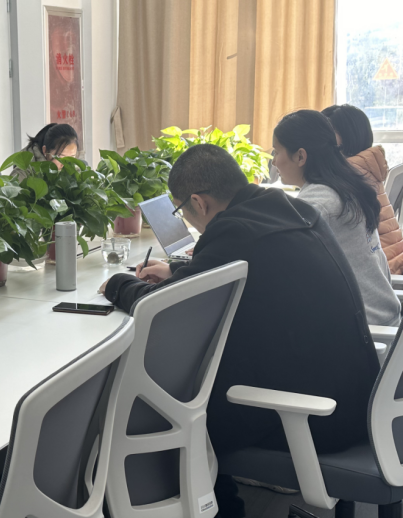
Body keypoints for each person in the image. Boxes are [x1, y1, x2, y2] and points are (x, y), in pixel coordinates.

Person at [101, 144, 379, 458]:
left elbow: (160, 306)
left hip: (314, 418)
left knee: (172, 397)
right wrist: (177, 270)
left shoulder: (234, 231)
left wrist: (118, 284)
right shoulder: (291, 208)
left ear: (198, 202)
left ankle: (206, 490)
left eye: (181, 211)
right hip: (354, 398)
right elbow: (255, 264)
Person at [273, 109, 400, 326]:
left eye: (276, 152)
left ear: (301, 156)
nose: (274, 162)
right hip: (385, 318)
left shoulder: (318, 204)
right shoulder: (348, 187)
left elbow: (279, 262)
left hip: (366, 330)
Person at [322, 104, 403, 275]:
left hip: (384, 269)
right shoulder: (365, 165)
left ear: (346, 137)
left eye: (327, 132)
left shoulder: (349, 174)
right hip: (393, 259)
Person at [11, 123, 79, 180]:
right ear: (45, 151)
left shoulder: (77, 173)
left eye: (72, 158)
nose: (66, 165)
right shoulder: (24, 172)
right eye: (60, 157)